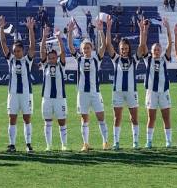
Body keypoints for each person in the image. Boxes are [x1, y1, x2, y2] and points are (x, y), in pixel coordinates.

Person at [67, 18, 109, 152]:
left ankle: (105, 142)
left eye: (88, 47)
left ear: (92, 48)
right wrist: (69, 33)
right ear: (82, 49)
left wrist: (101, 31)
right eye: (84, 48)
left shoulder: (96, 59)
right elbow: (71, 47)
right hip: (82, 94)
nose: (86, 50)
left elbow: (104, 46)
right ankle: (85, 144)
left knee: (101, 117)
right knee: (84, 119)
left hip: (95, 93)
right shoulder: (79, 59)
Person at [0, 15, 36, 153]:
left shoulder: (27, 60)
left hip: (26, 95)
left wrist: (31, 29)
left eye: (18, 51)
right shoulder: (11, 60)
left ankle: (28, 144)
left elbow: (32, 46)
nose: (15, 52)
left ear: (23, 51)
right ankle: (12, 145)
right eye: (14, 51)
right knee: (12, 119)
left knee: (27, 119)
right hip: (13, 94)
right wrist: (1, 28)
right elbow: (3, 42)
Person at [105, 15, 141, 150]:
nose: (124, 50)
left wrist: (142, 30)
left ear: (129, 49)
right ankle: (116, 142)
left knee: (134, 118)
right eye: (122, 49)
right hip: (118, 92)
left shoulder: (134, 60)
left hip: (132, 92)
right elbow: (108, 45)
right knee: (117, 118)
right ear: (119, 49)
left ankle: (135, 142)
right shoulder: (116, 59)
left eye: (126, 48)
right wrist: (108, 28)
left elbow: (142, 46)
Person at [139, 17, 174, 148]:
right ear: (152, 51)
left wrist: (168, 28)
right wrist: (144, 30)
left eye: (158, 49)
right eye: (154, 50)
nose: (157, 51)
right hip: (151, 92)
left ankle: (168, 141)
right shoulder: (148, 59)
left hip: (164, 92)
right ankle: (149, 141)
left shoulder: (165, 59)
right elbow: (142, 45)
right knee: (151, 118)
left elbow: (170, 44)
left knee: (166, 118)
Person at [38, 25, 69, 151]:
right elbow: (41, 52)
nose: (51, 59)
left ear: (56, 58)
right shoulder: (45, 65)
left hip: (60, 99)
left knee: (62, 122)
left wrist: (59, 38)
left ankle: (64, 145)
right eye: (49, 58)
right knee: (48, 122)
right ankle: (49, 146)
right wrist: (44, 37)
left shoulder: (61, 66)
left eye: (53, 57)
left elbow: (63, 52)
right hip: (47, 99)